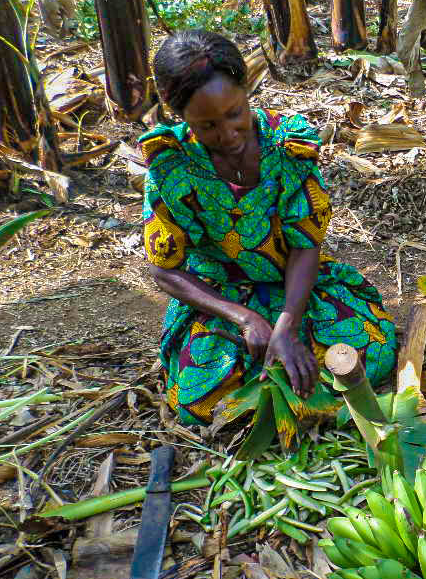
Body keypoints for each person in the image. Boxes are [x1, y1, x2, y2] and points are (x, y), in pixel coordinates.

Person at [140, 30, 397, 425]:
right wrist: (245, 318)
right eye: (207, 126)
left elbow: (305, 244)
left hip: (294, 286)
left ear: (247, 91)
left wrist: (285, 325)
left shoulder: (286, 145)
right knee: (199, 399)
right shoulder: (170, 166)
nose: (228, 135)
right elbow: (164, 270)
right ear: (181, 116)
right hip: (220, 299)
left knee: (370, 352)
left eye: (234, 114)